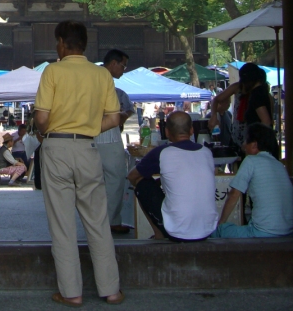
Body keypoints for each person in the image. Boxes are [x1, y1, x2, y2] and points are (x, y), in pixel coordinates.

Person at [34, 20, 123, 306]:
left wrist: (48, 128)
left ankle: (71, 292)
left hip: (57, 147)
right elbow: (114, 118)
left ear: (62, 42)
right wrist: (86, 126)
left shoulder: (52, 71)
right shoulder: (101, 75)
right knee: (98, 221)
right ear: (83, 44)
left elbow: (42, 118)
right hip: (88, 148)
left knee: (62, 224)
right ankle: (112, 290)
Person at [128, 111, 218, 243]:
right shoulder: (206, 152)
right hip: (207, 229)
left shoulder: (162, 152)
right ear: (192, 130)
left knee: (142, 183)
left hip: (176, 232)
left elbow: (132, 176)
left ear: (167, 132)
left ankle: (159, 234)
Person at [215, 123, 293, 238]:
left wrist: (221, 223)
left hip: (263, 233)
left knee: (217, 231)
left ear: (254, 145)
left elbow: (234, 194)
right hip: (289, 232)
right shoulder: (278, 164)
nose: (243, 146)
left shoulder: (251, 161)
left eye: (245, 141)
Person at [97, 49, 135, 235]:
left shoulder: (94, 77)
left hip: (92, 136)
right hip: (107, 135)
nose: (123, 70)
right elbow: (112, 113)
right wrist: (122, 114)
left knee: (97, 181)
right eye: (123, 65)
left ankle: (102, 219)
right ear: (113, 63)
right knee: (116, 178)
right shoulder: (103, 81)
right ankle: (111, 220)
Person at [207, 62, 272, 150]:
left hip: (253, 139)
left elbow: (267, 121)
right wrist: (213, 116)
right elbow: (216, 99)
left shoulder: (259, 94)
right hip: (238, 134)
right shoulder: (238, 87)